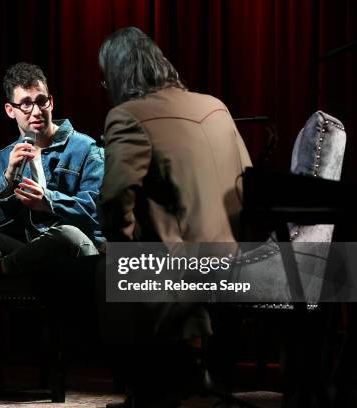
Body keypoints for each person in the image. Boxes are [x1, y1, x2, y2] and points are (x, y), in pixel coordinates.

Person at [97, 27, 252, 407]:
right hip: (241, 259)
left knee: (100, 266)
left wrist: (122, 243)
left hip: (183, 269)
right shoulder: (216, 106)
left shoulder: (127, 116)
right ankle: (189, 367)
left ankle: (154, 383)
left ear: (116, 76)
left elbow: (116, 200)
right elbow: (251, 180)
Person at [0, 62, 105, 401]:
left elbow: (97, 211)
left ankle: (6, 267)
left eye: (41, 100)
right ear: (10, 110)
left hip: (71, 253)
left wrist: (49, 203)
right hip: (23, 247)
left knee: (65, 235)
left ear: (52, 101)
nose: (36, 110)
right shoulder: (2, 158)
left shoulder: (86, 149)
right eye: (25, 104)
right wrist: (8, 177)